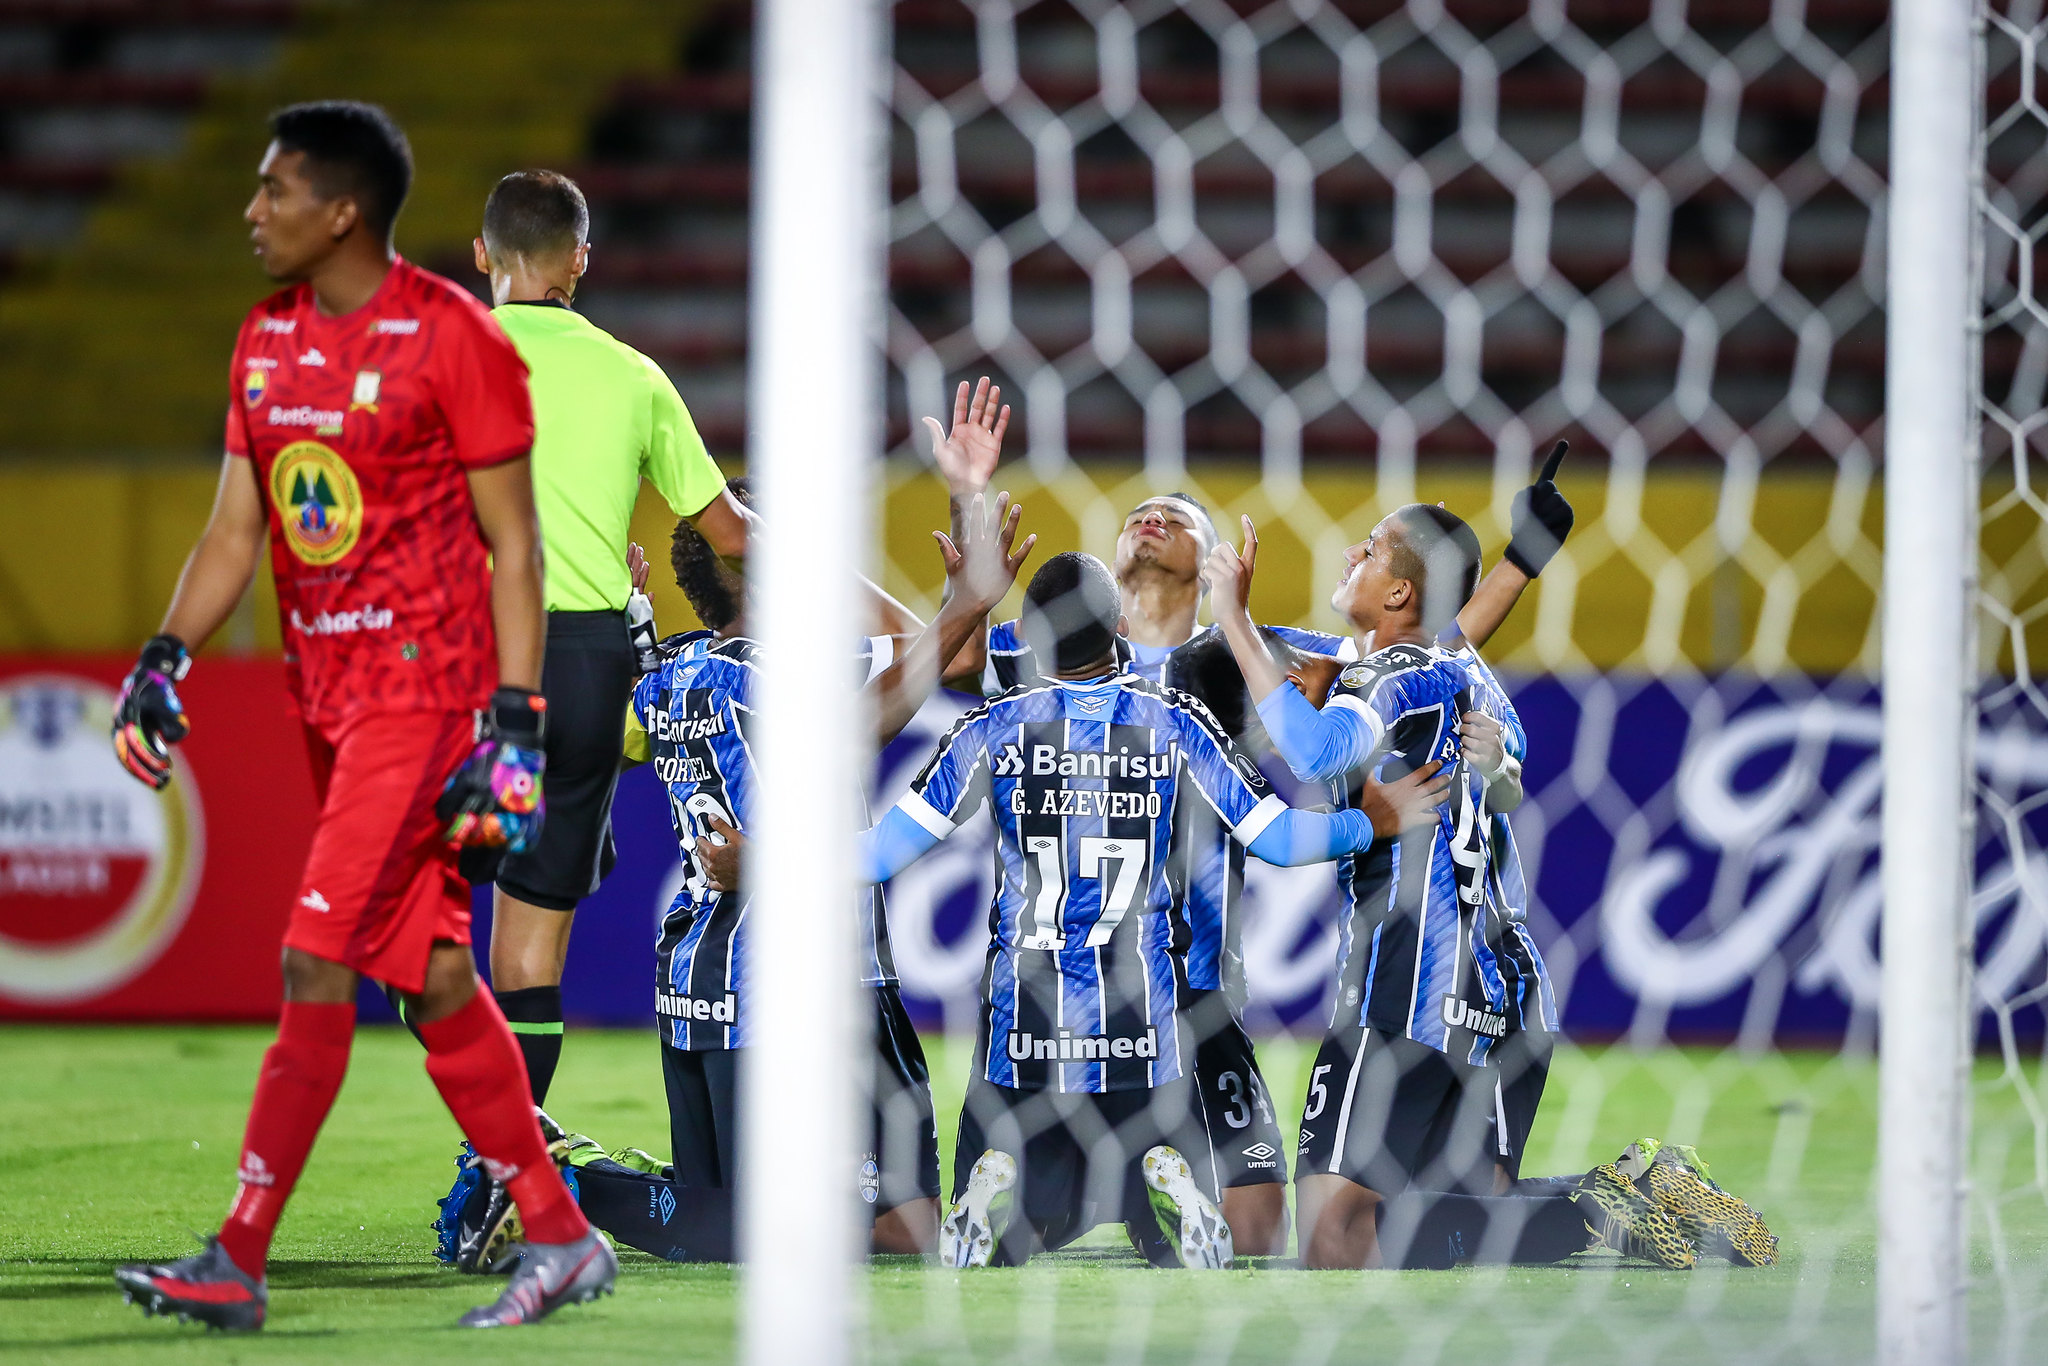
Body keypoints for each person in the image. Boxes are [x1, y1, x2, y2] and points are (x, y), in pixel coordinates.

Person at [107, 101, 611, 1331]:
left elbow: (516, 545)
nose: (252, 211)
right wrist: (164, 656)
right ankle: (559, 1235)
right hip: (327, 700)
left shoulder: (452, 338)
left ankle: (237, 1254)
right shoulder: (264, 341)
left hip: (427, 698)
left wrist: (514, 724)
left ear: (341, 211)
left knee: (314, 956)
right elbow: (238, 529)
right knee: (433, 977)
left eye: (273, 190)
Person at [978, 462, 1574, 1255]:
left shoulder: (1257, 654)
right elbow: (937, 655)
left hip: (1193, 987)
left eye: (1178, 517)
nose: (1154, 518)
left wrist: (1514, 566)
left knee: (1263, 1234)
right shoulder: (1039, 649)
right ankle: (1092, 1196)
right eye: (1139, 513)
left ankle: (1125, 1192)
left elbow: (1436, 645)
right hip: (1068, 983)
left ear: (1211, 562)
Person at [1203, 503, 1763, 1270]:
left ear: (1399, 592)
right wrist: (1519, 565)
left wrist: (1232, 615)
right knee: (1472, 1214)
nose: (1351, 552)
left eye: (1371, 549)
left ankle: (1591, 1212)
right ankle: (1638, 1189)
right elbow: (1494, 729)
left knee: (1336, 1240)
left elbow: (1316, 751)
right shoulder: (1463, 678)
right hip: (1505, 984)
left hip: (1407, 978)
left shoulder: (1381, 676)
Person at [857, 552, 1390, 1269]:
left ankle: (1000, 1179)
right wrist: (1365, 824)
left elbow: (878, 857)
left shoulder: (992, 726)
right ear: (1119, 630)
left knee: (1000, 1245)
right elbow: (1280, 841)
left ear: (1033, 642)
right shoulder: (1175, 721)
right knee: (1176, 1232)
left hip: (1025, 1020)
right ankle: (1164, 1181)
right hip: (1144, 1020)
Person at [451, 168, 756, 1104]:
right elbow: (734, 537)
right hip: (585, 671)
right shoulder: (634, 375)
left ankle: (496, 1142)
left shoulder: (443, 357)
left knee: (405, 904)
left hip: (467, 658)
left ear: (482, 253)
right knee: (529, 945)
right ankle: (506, 1153)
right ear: (580, 259)